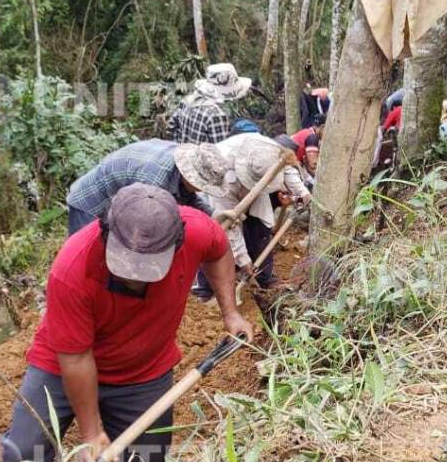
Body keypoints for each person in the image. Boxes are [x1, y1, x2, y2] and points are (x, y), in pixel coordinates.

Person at [0, 184, 254, 462]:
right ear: (104, 232)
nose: (137, 280)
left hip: (145, 369)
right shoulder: (73, 268)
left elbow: (219, 248)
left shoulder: (195, 228)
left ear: (177, 242)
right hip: (62, 364)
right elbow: (76, 359)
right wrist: (92, 434)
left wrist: (230, 311)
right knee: (26, 450)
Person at [193, 135, 305, 298]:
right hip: (219, 193)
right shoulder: (222, 177)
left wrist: (303, 193)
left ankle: (263, 278)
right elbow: (229, 226)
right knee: (215, 238)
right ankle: (207, 290)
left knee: (261, 226)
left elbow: (285, 167)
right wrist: (243, 259)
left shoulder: (268, 150)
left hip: (253, 184)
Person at [66, 139, 229, 235]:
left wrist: (213, 214)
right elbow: (138, 225)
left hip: (119, 199)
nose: (201, 190)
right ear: (189, 174)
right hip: (91, 203)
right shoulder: (153, 180)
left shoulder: (179, 166)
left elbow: (189, 197)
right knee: (86, 259)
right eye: (200, 185)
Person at [167, 63, 252, 144]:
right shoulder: (216, 115)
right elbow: (221, 149)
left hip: (182, 155)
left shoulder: (187, 100)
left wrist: (179, 146)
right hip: (202, 158)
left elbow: (171, 127)